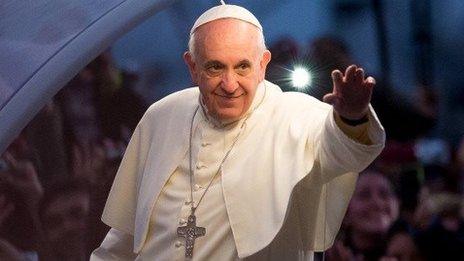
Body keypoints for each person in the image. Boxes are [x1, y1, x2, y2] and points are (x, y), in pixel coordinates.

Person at [91, 3, 385, 260]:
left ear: (263, 64)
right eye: (215, 68)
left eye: (242, 67)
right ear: (192, 67)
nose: (230, 84)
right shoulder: (161, 116)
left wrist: (352, 117)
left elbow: (344, 150)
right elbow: (127, 235)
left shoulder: (297, 116)